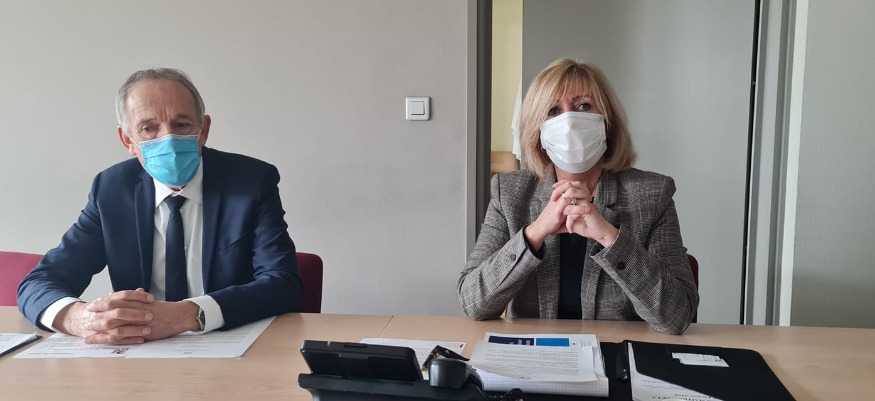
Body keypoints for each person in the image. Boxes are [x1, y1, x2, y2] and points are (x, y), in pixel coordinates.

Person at [17, 68, 302, 344]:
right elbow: (39, 283)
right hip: (138, 351)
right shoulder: (111, 190)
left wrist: (188, 314)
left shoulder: (252, 182)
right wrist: (80, 318)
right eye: (148, 128)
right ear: (128, 140)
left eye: (181, 125)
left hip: (232, 348)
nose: (168, 139)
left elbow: (283, 283)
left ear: (203, 130)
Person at [458, 59, 698, 334]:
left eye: (584, 106)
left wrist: (610, 238)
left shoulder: (652, 194)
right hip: (537, 353)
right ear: (538, 133)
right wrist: (535, 233)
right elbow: (473, 303)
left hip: (614, 353)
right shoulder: (510, 192)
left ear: (607, 121)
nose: (569, 122)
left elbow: (677, 316)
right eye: (553, 111)